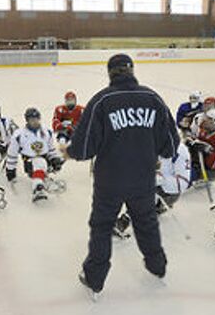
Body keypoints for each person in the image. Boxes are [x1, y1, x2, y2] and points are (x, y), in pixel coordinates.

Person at [60, 54, 179, 298]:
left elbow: (84, 147)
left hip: (109, 181)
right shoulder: (152, 98)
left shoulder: (102, 100)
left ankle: (95, 279)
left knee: (102, 227)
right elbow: (170, 144)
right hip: (143, 179)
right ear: (132, 70)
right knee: (146, 222)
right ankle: (158, 267)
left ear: (110, 73)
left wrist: (68, 152)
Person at [7, 107, 65, 202]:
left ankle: (41, 179)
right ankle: (37, 189)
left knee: (43, 163)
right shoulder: (19, 135)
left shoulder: (47, 132)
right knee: (39, 162)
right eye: (31, 119)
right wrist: (10, 170)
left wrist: (54, 159)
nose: (34, 121)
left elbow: (51, 150)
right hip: (29, 161)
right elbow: (12, 154)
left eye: (36, 119)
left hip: (45, 160)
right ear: (27, 120)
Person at [185, 108, 215, 183]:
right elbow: (197, 141)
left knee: (187, 174)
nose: (204, 120)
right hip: (199, 161)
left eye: (208, 118)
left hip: (212, 170)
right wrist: (191, 141)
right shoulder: (204, 129)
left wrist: (208, 151)